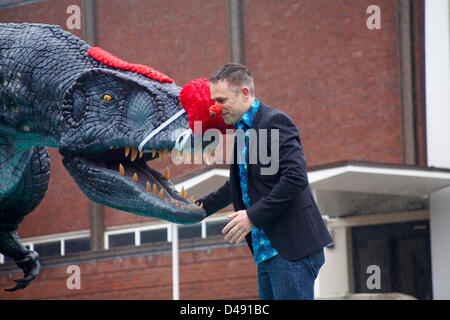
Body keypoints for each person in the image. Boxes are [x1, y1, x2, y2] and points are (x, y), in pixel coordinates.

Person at [197, 63, 333, 300]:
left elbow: (295, 177)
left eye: (221, 100)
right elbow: (236, 184)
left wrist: (252, 216)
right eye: (213, 101)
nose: (215, 108)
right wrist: (196, 209)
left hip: (291, 249)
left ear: (245, 93)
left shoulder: (275, 121)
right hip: (266, 251)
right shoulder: (240, 131)